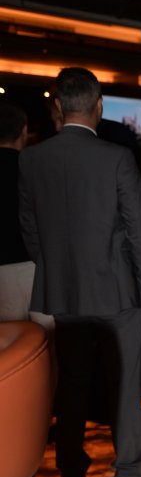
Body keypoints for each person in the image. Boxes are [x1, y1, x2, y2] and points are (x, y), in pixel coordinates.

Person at [18, 68, 141, 477]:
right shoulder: (116, 157)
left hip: (64, 291)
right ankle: (129, 472)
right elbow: (140, 231)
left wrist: (56, 271)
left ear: (58, 107)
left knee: (72, 381)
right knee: (124, 383)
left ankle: (70, 469)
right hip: (117, 290)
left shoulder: (31, 159)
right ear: (99, 105)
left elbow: (30, 229)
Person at [0, 101, 35, 321]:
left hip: (2, 272)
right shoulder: (35, 168)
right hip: (36, 267)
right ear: (24, 130)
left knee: (9, 337)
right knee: (46, 338)